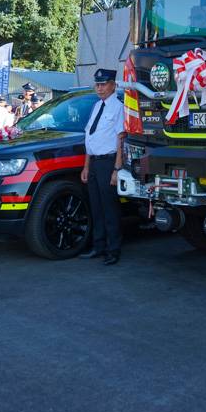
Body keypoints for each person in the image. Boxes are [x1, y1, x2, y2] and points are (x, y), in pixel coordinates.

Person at [79, 69, 125, 265]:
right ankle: (98, 246)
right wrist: (86, 167)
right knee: (96, 208)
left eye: (103, 84)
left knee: (109, 209)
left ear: (113, 85)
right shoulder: (97, 106)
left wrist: (116, 169)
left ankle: (113, 250)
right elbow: (91, 139)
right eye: (97, 84)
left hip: (109, 162)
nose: (99, 87)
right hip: (95, 163)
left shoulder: (118, 108)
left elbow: (121, 140)